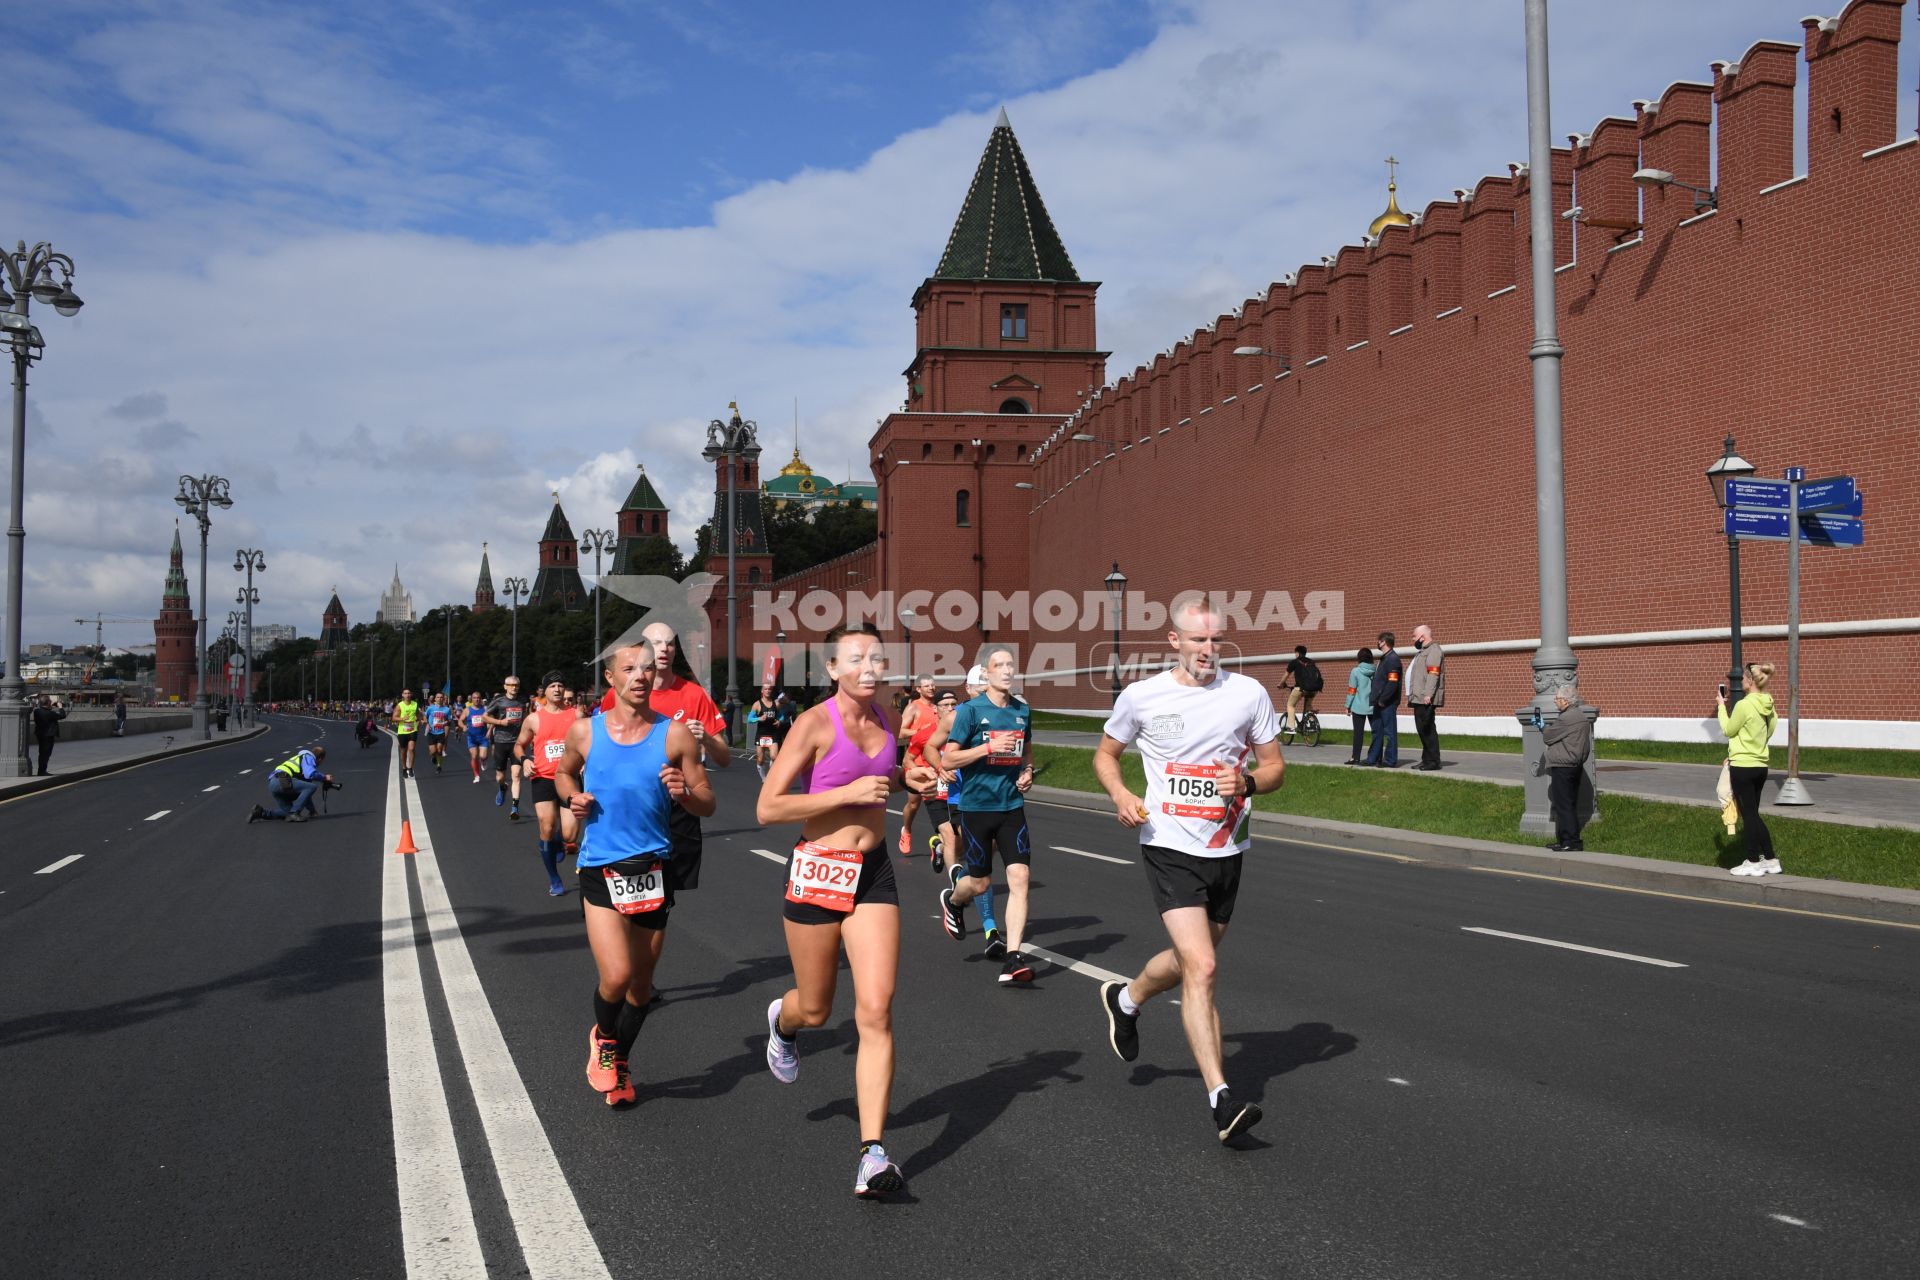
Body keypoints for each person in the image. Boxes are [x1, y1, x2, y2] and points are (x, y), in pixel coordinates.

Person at [1092, 597, 1284, 1144]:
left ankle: (1125, 1000)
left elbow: (1274, 770)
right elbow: (1105, 755)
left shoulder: (1247, 694)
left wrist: (1246, 783)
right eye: (1198, 640)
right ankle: (1221, 1099)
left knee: (1190, 960)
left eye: (1217, 640)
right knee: (1201, 967)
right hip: (1168, 844)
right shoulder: (1143, 696)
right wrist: (1121, 794)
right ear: (1173, 640)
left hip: (1227, 847)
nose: (1209, 650)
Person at [756, 625, 934, 1198]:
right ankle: (783, 1025)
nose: (869, 667)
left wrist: (911, 777)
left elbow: (885, 778)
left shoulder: (885, 718)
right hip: (817, 871)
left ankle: (872, 1154)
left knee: (877, 1011)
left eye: (876, 658)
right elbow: (768, 807)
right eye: (855, 659)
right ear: (832, 668)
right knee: (815, 1008)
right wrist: (844, 794)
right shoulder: (813, 724)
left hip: (873, 872)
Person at [556, 642, 714, 1108]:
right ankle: (605, 1040)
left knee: (642, 987)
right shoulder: (585, 732)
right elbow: (565, 774)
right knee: (618, 975)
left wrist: (686, 794)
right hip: (601, 867)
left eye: (647, 668)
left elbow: (708, 801)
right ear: (611, 678)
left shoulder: (676, 735)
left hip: (653, 868)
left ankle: (619, 1061)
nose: (641, 676)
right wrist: (573, 798)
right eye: (630, 669)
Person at [598, 622, 731, 936]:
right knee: (622, 893)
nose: (665, 649)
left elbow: (724, 758)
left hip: (678, 805)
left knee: (661, 898)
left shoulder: (693, 694)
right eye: (656, 643)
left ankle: (642, 979)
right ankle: (624, 962)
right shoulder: (618, 692)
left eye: (671, 643)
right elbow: (598, 744)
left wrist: (707, 740)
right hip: (630, 805)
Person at [930, 643, 1036, 984]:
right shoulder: (970, 712)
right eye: (999, 665)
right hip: (976, 808)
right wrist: (988, 747)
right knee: (979, 883)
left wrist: (1027, 770)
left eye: (1010, 665)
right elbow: (948, 759)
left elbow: (1027, 746)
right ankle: (955, 901)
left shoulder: (1022, 710)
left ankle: (1014, 956)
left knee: (1019, 878)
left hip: (1011, 807)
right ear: (986, 673)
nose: (1006, 670)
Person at [518, 672, 581, 895]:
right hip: (543, 778)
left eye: (560, 685)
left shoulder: (576, 714)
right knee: (546, 825)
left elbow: (588, 740)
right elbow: (519, 746)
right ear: (544, 691)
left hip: (570, 778)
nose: (557, 689)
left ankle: (557, 840)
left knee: (570, 836)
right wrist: (525, 760)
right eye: (552, 685)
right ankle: (554, 879)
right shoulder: (534, 719)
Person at [1719, 662, 1780, 876]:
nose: (1741, 682)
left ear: (1750, 681)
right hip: (1760, 766)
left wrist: (1720, 705)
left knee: (1749, 815)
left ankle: (1753, 860)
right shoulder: (1768, 704)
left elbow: (1728, 729)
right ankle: (1771, 860)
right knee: (1753, 813)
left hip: (1743, 767)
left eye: (1743, 678)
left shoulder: (1744, 705)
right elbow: (1770, 729)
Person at [1541, 683, 1593, 852]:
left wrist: (1542, 725)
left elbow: (1548, 737)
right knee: (1568, 804)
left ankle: (1571, 842)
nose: (1555, 701)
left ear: (1565, 700)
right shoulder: (1580, 716)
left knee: (1564, 805)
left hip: (1563, 766)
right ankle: (1564, 840)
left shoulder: (1566, 718)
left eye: (1557, 698)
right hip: (1574, 765)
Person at [895, 675, 937, 852]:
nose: (931, 688)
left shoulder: (939, 708)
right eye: (926, 685)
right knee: (914, 804)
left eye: (932, 685)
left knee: (939, 804)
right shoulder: (914, 707)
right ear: (918, 689)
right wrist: (919, 731)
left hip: (936, 762)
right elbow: (900, 731)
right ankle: (907, 830)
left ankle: (942, 843)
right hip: (916, 762)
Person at [484, 676, 529, 819]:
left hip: (517, 743)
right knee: (500, 777)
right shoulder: (499, 701)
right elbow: (485, 717)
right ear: (505, 686)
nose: (514, 687)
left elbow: (527, 718)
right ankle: (502, 787)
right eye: (511, 685)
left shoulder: (523, 701)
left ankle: (514, 807)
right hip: (501, 742)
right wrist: (500, 722)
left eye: (516, 685)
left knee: (516, 775)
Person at [249, 746, 333, 823]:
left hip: (274, 783)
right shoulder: (308, 757)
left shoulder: (299, 761)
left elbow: (306, 793)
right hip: (283, 780)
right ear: (320, 759)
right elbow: (310, 774)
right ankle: (294, 813)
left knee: (287, 812)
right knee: (312, 787)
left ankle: (260, 813)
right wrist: (324, 777)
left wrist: (312, 811)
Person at [1406, 623, 1445, 770]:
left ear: (1422, 637)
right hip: (1418, 698)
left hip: (1425, 698)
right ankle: (1426, 759)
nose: (1413, 639)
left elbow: (1433, 674)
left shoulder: (1434, 651)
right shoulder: (1422, 651)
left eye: (1414, 636)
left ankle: (1433, 761)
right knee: (1422, 730)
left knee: (1427, 729)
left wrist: (1428, 694)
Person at [1365, 631, 1402, 768]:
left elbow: (1392, 682)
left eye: (1379, 641)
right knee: (1377, 730)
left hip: (1387, 703)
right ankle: (1373, 758)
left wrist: (1382, 700)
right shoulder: (1384, 658)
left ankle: (1390, 760)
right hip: (1378, 702)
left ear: (1384, 642)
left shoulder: (1392, 659)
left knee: (1389, 732)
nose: (1378, 643)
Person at [1278, 645, 1321, 736]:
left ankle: (1291, 727)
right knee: (1308, 705)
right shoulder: (1311, 662)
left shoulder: (1294, 662)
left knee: (1290, 705)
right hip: (1314, 689)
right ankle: (1312, 725)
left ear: (1297, 653)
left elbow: (1286, 675)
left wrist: (1281, 684)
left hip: (1301, 688)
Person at [1343, 648, 1375, 764]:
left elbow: (1352, 690)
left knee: (1358, 733)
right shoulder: (1376, 670)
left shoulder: (1355, 671)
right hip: (1373, 706)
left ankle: (1355, 757)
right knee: (1375, 733)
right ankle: (1375, 756)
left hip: (1358, 706)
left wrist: (1347, 705)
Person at [748, 684, 781, 781]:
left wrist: (779, 720)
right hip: (761, 734)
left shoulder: (776, 703)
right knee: (760, 759)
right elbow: (750, 719)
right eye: (765, 689)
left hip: (773, 733)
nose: (768, 691)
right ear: (762, 691)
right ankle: (764, 778)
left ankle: (770, 777)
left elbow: (781, 715)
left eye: (769, 689)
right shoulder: (757, 704)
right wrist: (759, 718)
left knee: (774, 756)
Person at [30, 694, 66, 776]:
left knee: (42, 753)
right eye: (50, 701)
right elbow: (62, 715)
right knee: (46, 753)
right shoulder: (50, 714)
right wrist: (60, 706)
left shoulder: (37, 711)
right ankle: (42, 771)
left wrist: (50, 705)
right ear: (48, 703)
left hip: (40, 734)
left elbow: (45, 709)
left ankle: (41, 771)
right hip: (48, 735)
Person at [393, 688, 421, 778]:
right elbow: (394, 717)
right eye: (405, 693)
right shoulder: (399, 705)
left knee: (412, 749)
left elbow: (417, 714)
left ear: (411, 694)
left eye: (409, 693)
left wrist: (420, 720)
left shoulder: (415, 704)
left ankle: (411, 768)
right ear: (402, 695)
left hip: (413, 730)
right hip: (402, 731)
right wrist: (402, 719)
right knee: (403, 751)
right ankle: (404, 768)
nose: (407, 695)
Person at [461, 693, 490, 781]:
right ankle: (476, 775)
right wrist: (463, 726)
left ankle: (483, 761)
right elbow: (460, 720)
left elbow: (492, 720)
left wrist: (489, 731)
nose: (476, 700)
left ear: (480, 699)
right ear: (472, 699)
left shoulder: (485, 709)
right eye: (474, 698)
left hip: (483, 737)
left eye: (478, 698)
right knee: (474, 756)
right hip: (471, 737)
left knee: (483, 756)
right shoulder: (467, 710)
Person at [423, 692, 454, 773]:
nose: (439, 699)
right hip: (431, 732)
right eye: (438, 697)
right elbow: (424, 717)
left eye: (441, 697)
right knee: (433, 751)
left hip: (441, 732)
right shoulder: (430, 708)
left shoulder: (447, 709)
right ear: (435, 699)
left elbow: (449, 719)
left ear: (443, 699)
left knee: (439, 749)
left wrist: (446, 722)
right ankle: (433, 757)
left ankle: (439, 766)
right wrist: (426, 723)